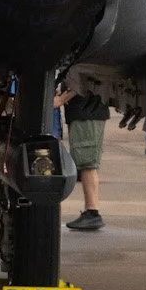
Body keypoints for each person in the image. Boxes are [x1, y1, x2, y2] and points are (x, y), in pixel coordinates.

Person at [58, 65, 111, 232]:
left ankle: (92, 212)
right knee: (85, 162)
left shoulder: (86, 58)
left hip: (87, 112)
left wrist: (61, 99)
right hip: (84, 112)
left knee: (87, 164)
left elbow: (85, 81)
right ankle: (91, 211)